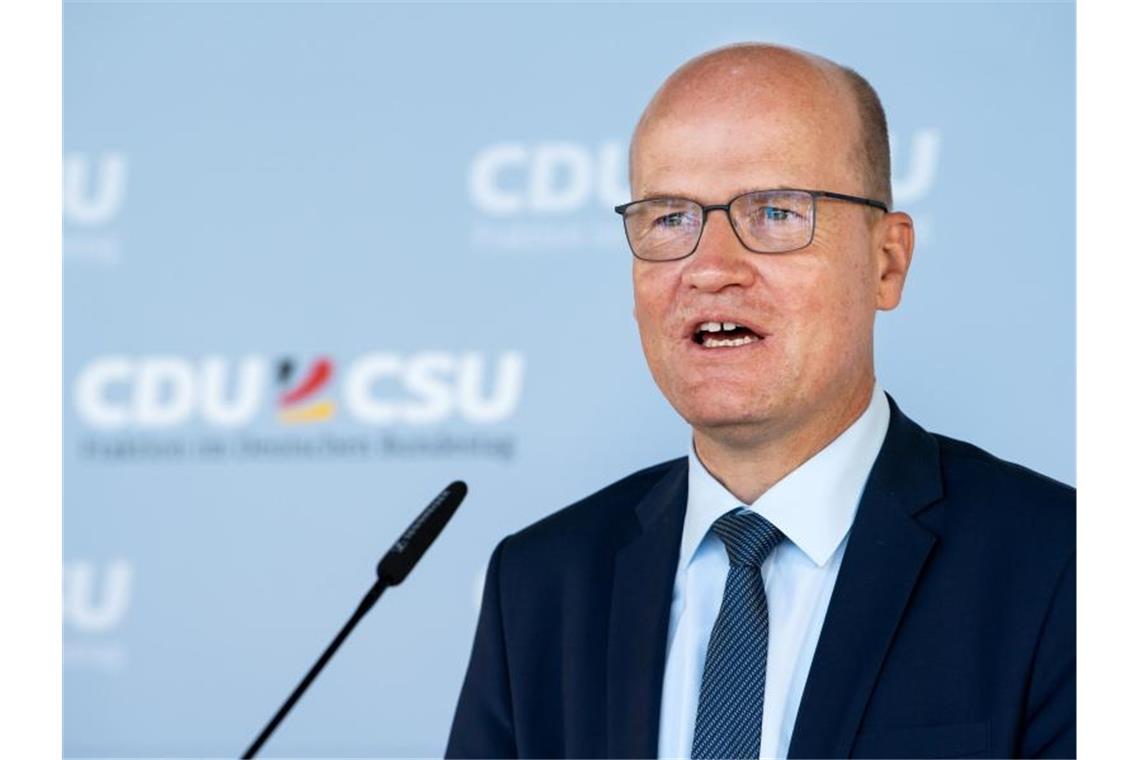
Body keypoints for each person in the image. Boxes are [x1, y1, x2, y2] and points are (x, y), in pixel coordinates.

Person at [446, 43, 1074, 759]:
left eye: (776, 211)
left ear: (886, 262)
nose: (710, 269)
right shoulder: (539, 585)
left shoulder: (1065, 567)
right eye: (670, 218)